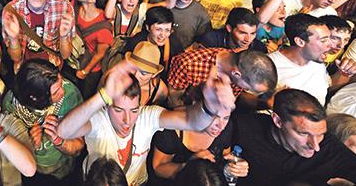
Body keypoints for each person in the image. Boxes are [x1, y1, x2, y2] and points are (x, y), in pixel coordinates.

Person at [56, 59, 236, 186]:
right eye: (118, 110)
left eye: (134, 110)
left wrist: (209, 108)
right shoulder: (99, 120)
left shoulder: (148, 116)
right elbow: (64, 132)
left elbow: (191, 121)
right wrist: (103, 96)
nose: (127, 120)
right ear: (108, 106)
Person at [231, 89, 356, 186]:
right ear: (278, 121)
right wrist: (227, 163)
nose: (315, 146)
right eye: (304, 134)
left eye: (320, 134)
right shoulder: (243, 127)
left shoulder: (328, 145)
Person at [3, 60, 84, 184]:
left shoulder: (71, 96)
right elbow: (9, 149)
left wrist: (59, 140)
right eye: (56, 92)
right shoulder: (10, 105)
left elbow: (79, 146)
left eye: (61, 83)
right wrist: (27, 143)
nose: (63, 92)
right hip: (31, 170)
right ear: (35, 98)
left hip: (61, 169)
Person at [269, 13, 356, 105]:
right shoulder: (270, 66)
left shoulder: (317, 61)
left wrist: (344, 74)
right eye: (323, 40)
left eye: (329, 39)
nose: (330, 45)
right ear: (300, 41)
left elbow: (328, 85)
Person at [150, 106, 248, 185]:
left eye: (226, 118)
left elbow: (225, 156)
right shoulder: (171, 126)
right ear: (197, 106)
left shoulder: (226, 128)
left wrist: (234, 166)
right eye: (214, 117)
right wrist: (192, 165)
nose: (221, 126)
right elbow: (158, 169)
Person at [2, 0, 74, 71]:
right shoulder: (11, 11)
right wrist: (13, 39)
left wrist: (63, 37)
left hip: (52, 67)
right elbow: (16, 58)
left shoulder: (63, 8)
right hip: (25, 70)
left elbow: (65, 55)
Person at [167, 48, 277, 107]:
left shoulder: (240, 67)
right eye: (248, 88)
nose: (246, 90)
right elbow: (174, 100)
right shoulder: (189, 64)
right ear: (236, 74)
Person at [195, 7, 266, 53]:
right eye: (242, 33)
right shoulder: (211, 40)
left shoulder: (259, 48)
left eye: (252, 33)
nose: (248, 39)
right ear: (229, 28)